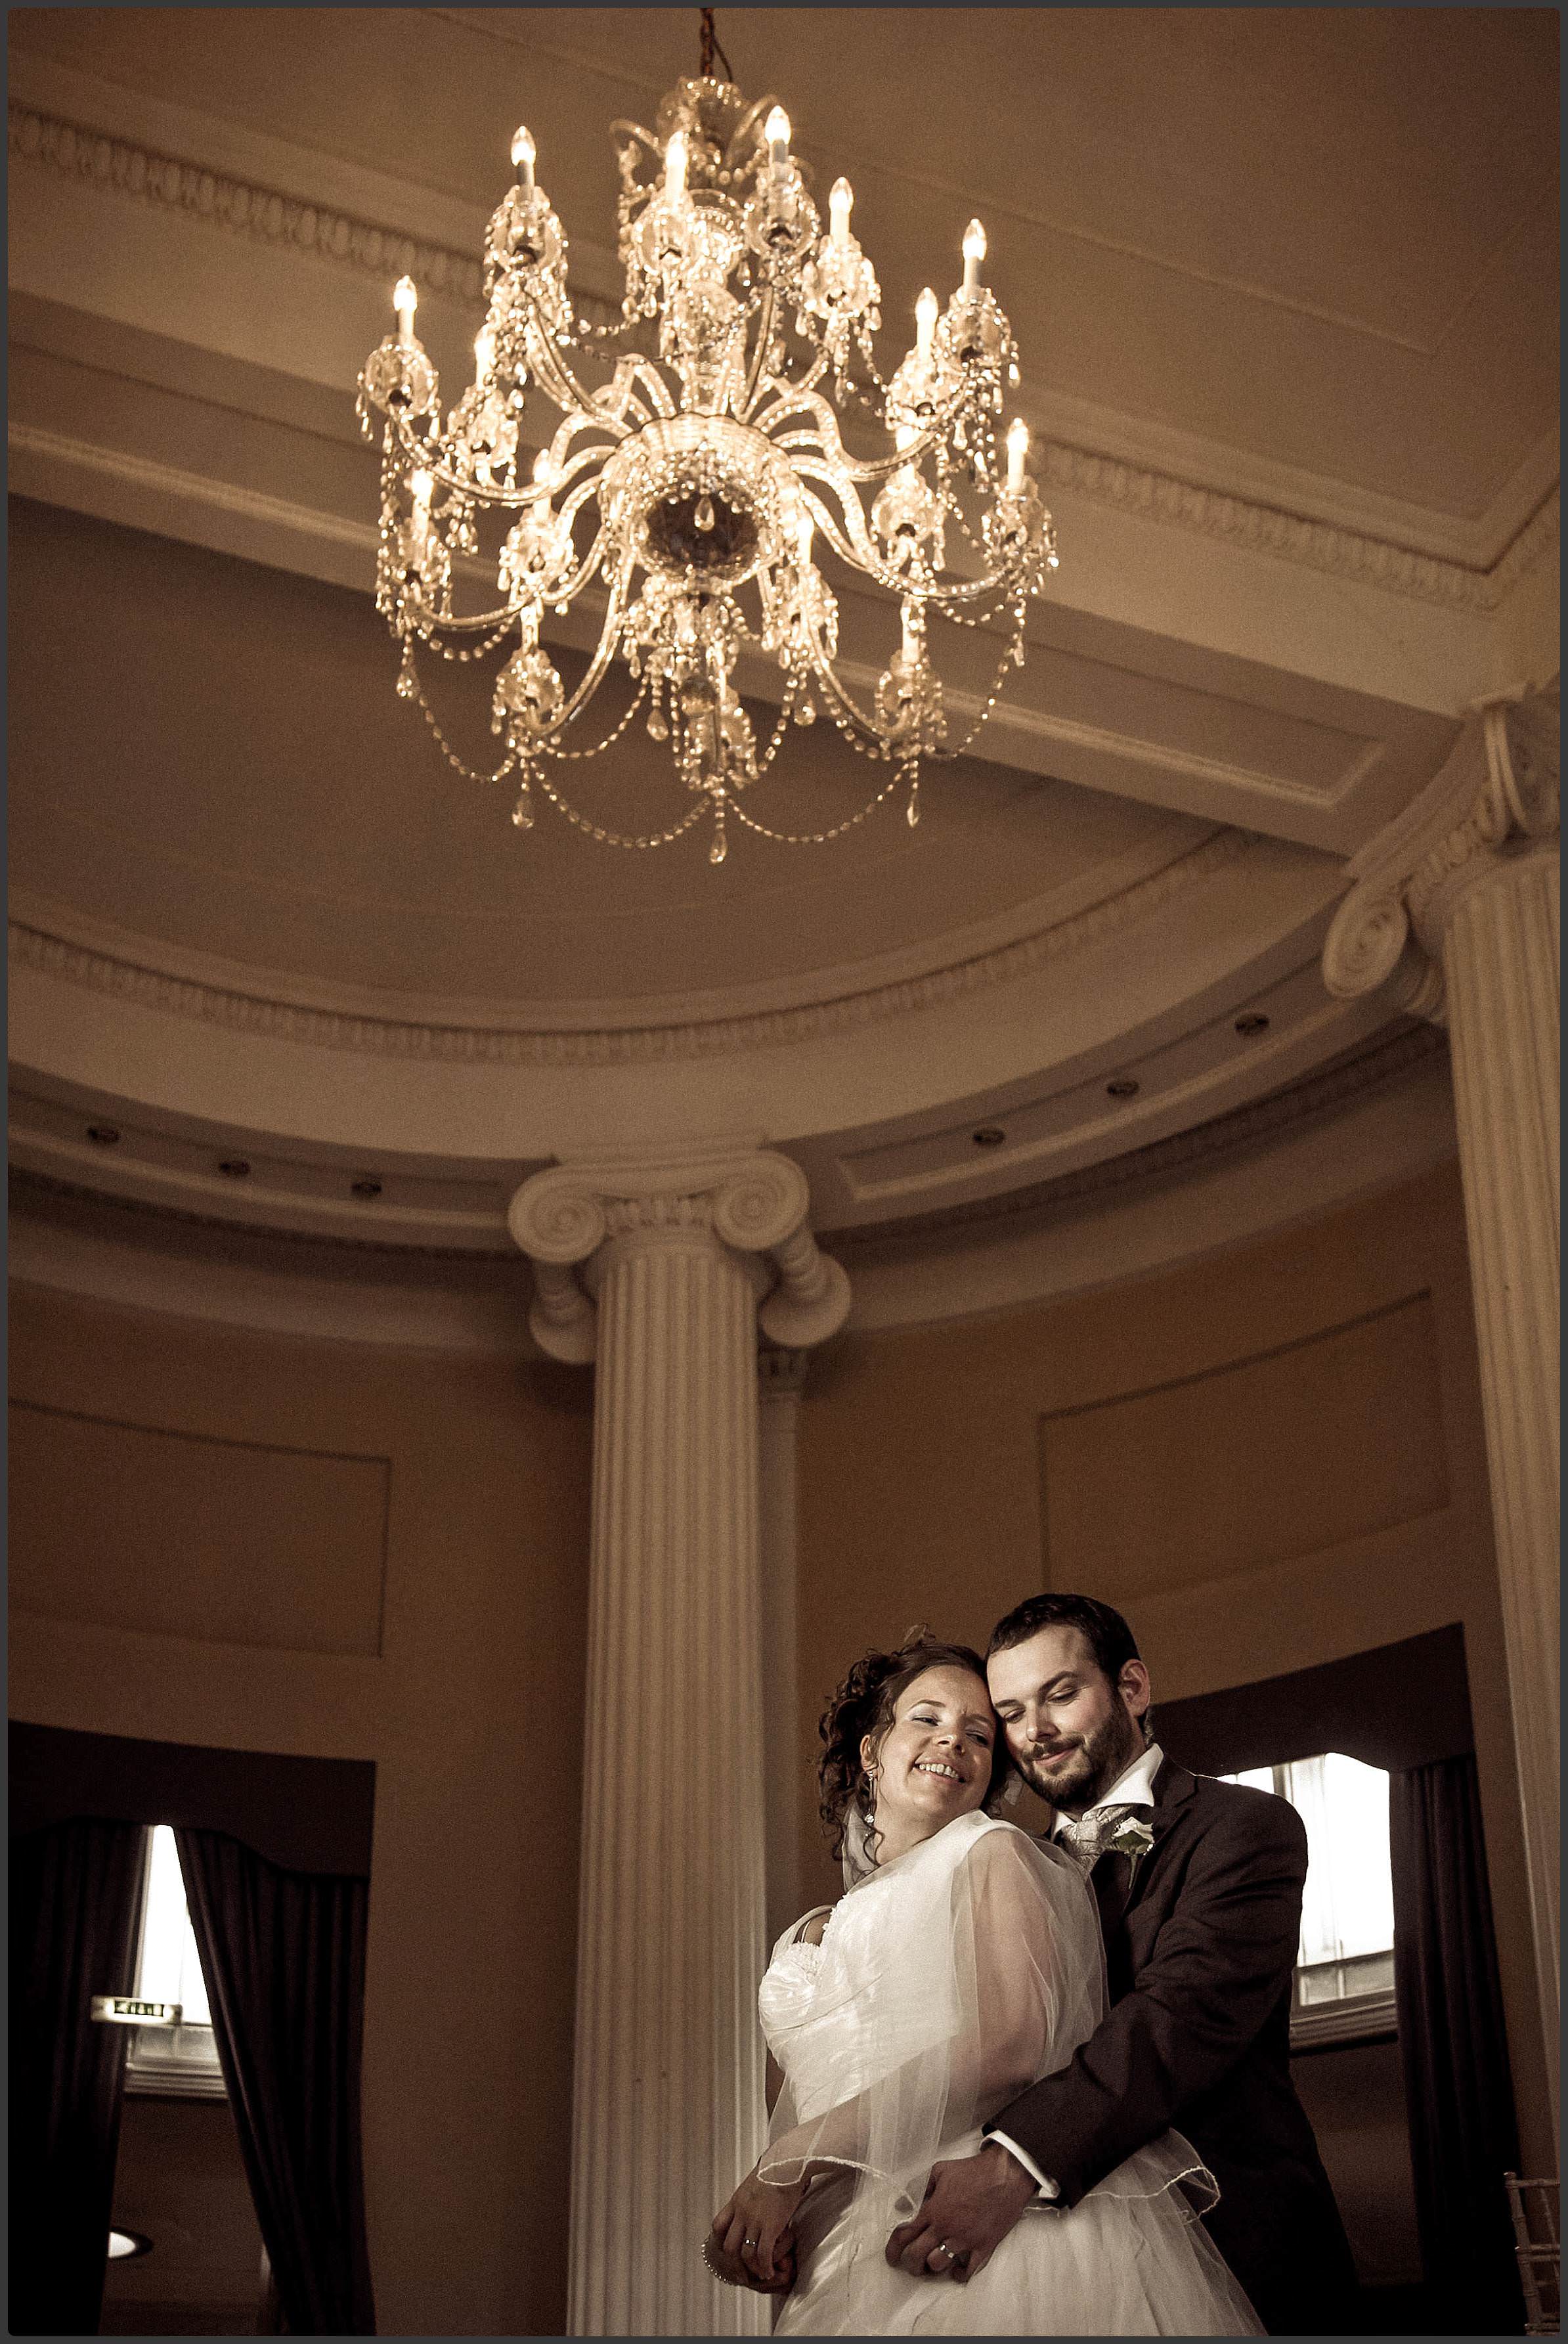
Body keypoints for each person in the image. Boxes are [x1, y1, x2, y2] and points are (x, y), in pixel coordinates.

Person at [708, 1629, 1261, 2334]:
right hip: (833, 2244)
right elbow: (803, 2096)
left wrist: (787, 2160)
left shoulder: (990, 1852)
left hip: (965, 2213)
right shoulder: (807, 1930)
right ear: (871, 1749)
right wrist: (767, 2220)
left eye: (978, 1733)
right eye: (927, 1718)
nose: (955, 1741)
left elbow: (1011, 2046)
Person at [883, 1593, 1359, 2337]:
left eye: (1061, 1694)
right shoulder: (1003, 1867)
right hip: (1047, 2270)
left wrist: (1011, 2165)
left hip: (1232, 2238)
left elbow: (1179, 2016)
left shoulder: (1245, 1827)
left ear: (1132, 1687)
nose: (1034, 1731)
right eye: (1008, 1712)